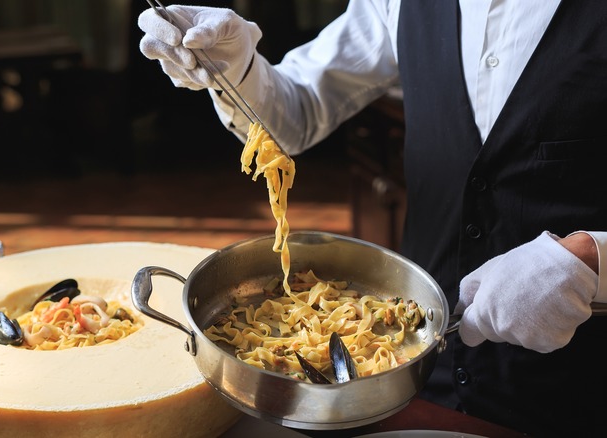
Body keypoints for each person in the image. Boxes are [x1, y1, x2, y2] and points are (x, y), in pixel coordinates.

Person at [138, 1, 607, 436]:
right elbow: (295, 110)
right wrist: (235, 66)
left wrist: (590, 256)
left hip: (581, 391)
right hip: (413, 365)